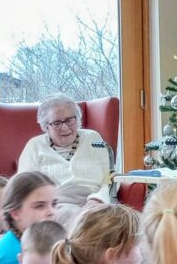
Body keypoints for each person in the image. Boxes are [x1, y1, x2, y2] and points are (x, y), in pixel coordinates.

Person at [18, 94, 113, 228]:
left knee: (124, 219)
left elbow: (111, 176)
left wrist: (99, 198)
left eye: (69, 120)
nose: (65, 127)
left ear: (77, 119)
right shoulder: (34, 146)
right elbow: (23, 185)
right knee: (81, 222)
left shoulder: (93, 138)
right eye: (57, 123)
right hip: (57, 204)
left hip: (96, 201)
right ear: (46, 126)